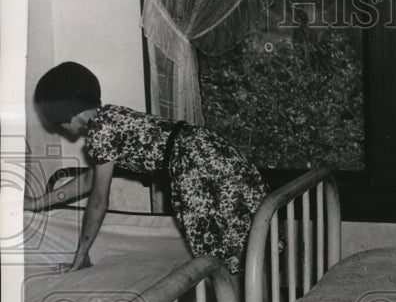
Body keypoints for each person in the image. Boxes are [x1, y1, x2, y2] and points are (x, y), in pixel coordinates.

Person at [25, 61, 267, 274]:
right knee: (245, 247)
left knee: (219, 257)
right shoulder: (110, 116)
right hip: (212, 150)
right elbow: (89, 181)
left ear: (65, 114)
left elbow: (98, 200)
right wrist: (37, 203)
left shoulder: (101, 133)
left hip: (196, 166)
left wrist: (82, 252)